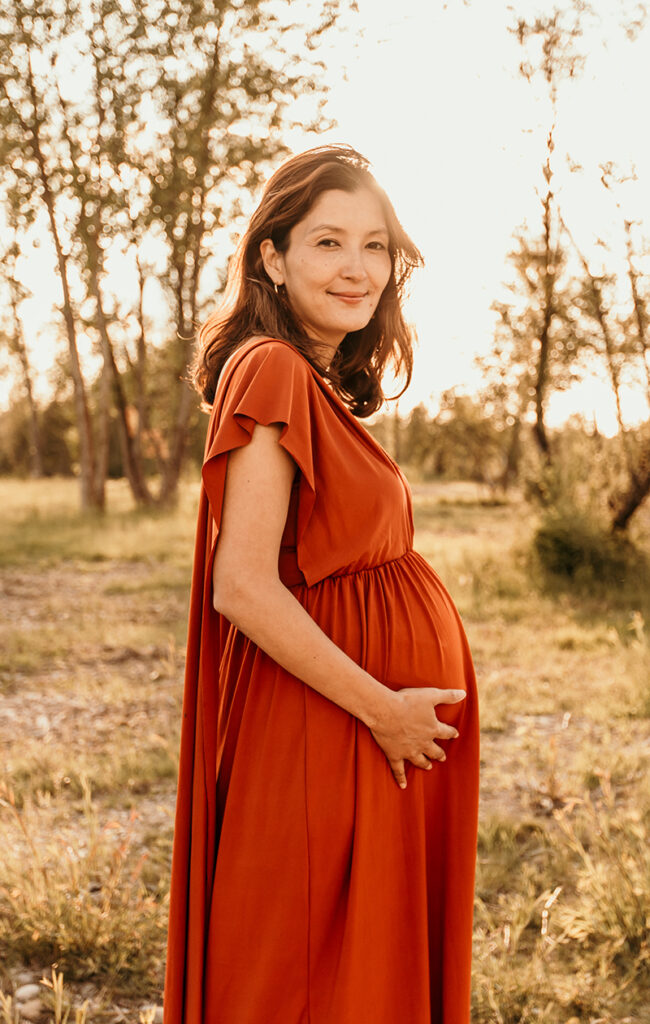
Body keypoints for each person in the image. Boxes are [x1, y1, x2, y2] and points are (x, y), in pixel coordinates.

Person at [164, 144, 479, 1024]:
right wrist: (384, 708)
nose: (357, 268)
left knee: (349, 980)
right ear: (273, 255)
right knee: (310, 980)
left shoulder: (317, 382)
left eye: (374, 246)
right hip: (330, 730)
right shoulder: (270, 371)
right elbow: (244, 587)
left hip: (355, 733)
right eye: (328, 241)